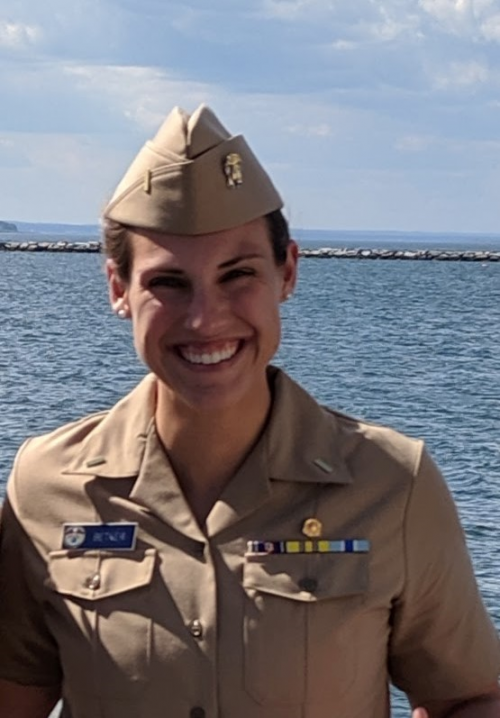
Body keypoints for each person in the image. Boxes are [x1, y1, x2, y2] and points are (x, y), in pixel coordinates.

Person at [0, 104, 498, 718]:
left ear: (287, 272)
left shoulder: (392, 482)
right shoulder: (46, 486)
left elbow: (470, 697)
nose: (205, 319)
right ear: (118, 290)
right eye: (169, 284)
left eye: (238, 275)